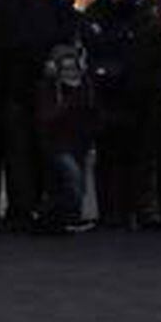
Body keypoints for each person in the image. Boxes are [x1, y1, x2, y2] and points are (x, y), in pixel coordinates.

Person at [0, 0, 74, 231]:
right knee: (16, 151)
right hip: (9, 85)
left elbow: (63, 29)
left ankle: (41, 207)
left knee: (44, 150)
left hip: (43, 84)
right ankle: (20, 210)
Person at [83, 0, 148, 229]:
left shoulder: (140, 14)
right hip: (103, 94)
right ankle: (108, 210)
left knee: (130, 156)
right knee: (106, 155)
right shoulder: (94, 13)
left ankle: (129, 209)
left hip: (132, 93)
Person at [32, 43, 98, 234]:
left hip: (77, 141)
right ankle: (51, 213)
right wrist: (69, 102)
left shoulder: (85, 86)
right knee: (73, 180)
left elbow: (92, 113)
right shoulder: (49, 88)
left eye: (73, 68)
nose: (70, 73)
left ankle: (63, 217)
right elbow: (46, 117)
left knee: (75, 183)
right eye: (66, 68)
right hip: (57, 142)